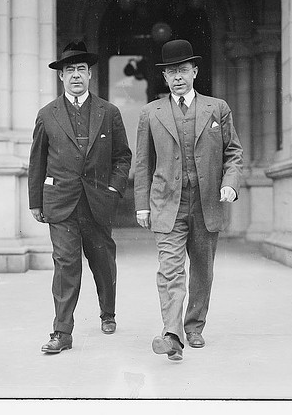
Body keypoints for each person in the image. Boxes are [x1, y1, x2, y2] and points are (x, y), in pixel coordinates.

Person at [134, 39, 243, 361]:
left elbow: (233, 152)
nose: (177, 77)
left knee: (202, 270)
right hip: (167, 202)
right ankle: (171, 333)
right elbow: (143, 161)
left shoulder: (217, 108)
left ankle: (194, 326)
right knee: (169, 269)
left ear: (195, 72)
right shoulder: (149, 113)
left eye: (183, 70)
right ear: (164, 78)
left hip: (207, 202)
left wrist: (230, 184)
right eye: (171, 72)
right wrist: (142, 203)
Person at [29, 40, 132, 353]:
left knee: (102, 260)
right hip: (60, 202)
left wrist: (114, 190)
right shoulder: (47, 115)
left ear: (90, 75)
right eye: (70, 70)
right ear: (61, 77)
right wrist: (35, 201)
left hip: (98, 202)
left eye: (81, 70)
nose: (76, 75)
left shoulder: (109, 112)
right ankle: (62, 332)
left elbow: (122, 156)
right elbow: (37, 160)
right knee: (65, 264)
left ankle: (108, 312)